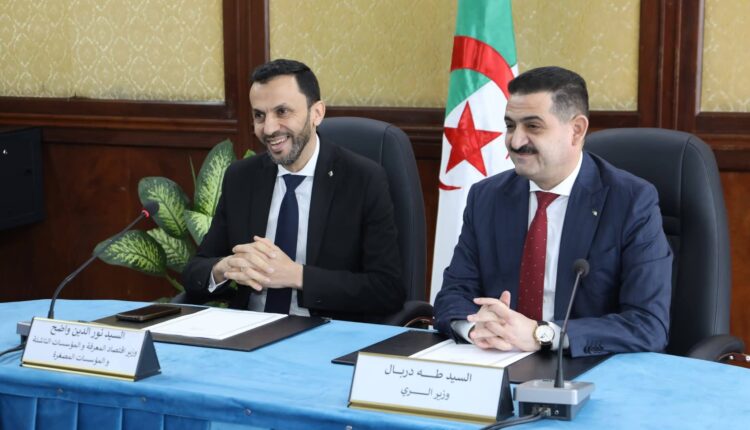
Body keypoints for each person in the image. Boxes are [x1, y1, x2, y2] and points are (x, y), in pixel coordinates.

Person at [433, 66, 672, 357]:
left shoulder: (631, 201)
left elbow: (648, 324)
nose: (515, 142)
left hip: (585, 365)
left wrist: (542, 334)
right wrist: (474, 328)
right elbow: (453, 294)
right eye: (510, 126)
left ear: (576, 130)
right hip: (498, 358)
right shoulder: (487, 197)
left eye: (533, 127)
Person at [183, 59, 404, 320]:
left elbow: (387, 288)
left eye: (282, 112)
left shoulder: (363, 179)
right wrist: (224, 267)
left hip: (324, 333)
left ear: (317, 113)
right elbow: (195, 270)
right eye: (259, 115)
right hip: (248, 331)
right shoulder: (241, 177)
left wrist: (297, 276)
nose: (269, 128)